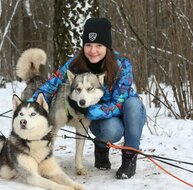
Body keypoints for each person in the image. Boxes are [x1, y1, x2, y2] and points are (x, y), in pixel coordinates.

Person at [31, 17, 146, 179]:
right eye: (88, 45)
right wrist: (31, 105)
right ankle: (101, 146)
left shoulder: (122, 65)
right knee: (111, 130)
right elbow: (51, 85)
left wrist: (88, 110)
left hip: (127, 114)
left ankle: (129, 158)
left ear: (107, 46)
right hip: (105, 122)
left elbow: (120, 102)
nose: (93, 50)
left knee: (133, 104)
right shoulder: (74, 64)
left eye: (99, 45)